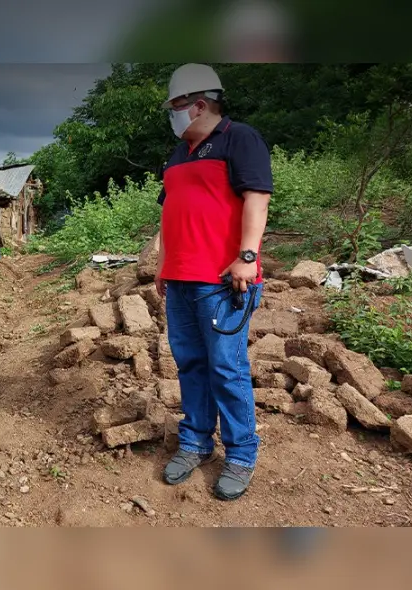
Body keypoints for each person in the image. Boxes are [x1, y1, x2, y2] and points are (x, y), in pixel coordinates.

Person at [154, 64, 273, 500]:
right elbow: (169, 214)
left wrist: (247, 256)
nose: (172, 115)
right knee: (190, 364)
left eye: (176, 106)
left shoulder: (239, 138)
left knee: (227, 367)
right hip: (181, 280)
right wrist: (163, 266)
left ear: (199, 104)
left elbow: (256, 199)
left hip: (223, 280)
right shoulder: (178, 155)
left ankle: (241, 454)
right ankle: (195, 442)